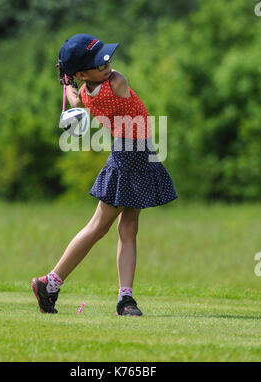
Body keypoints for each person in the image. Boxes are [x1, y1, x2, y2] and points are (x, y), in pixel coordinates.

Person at [32, 33, 178, 316]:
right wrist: (70, 81)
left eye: (106, 58)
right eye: (99, 64)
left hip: (139, 156)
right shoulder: (117, 82)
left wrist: (68, 84)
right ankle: (49, 282)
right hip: (128, 157)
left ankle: (126, 298)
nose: (108, 64)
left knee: (129, 226)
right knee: (99, 226)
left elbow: (76, 101)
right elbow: (90, 91)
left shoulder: (86, 92)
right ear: (84, 72)